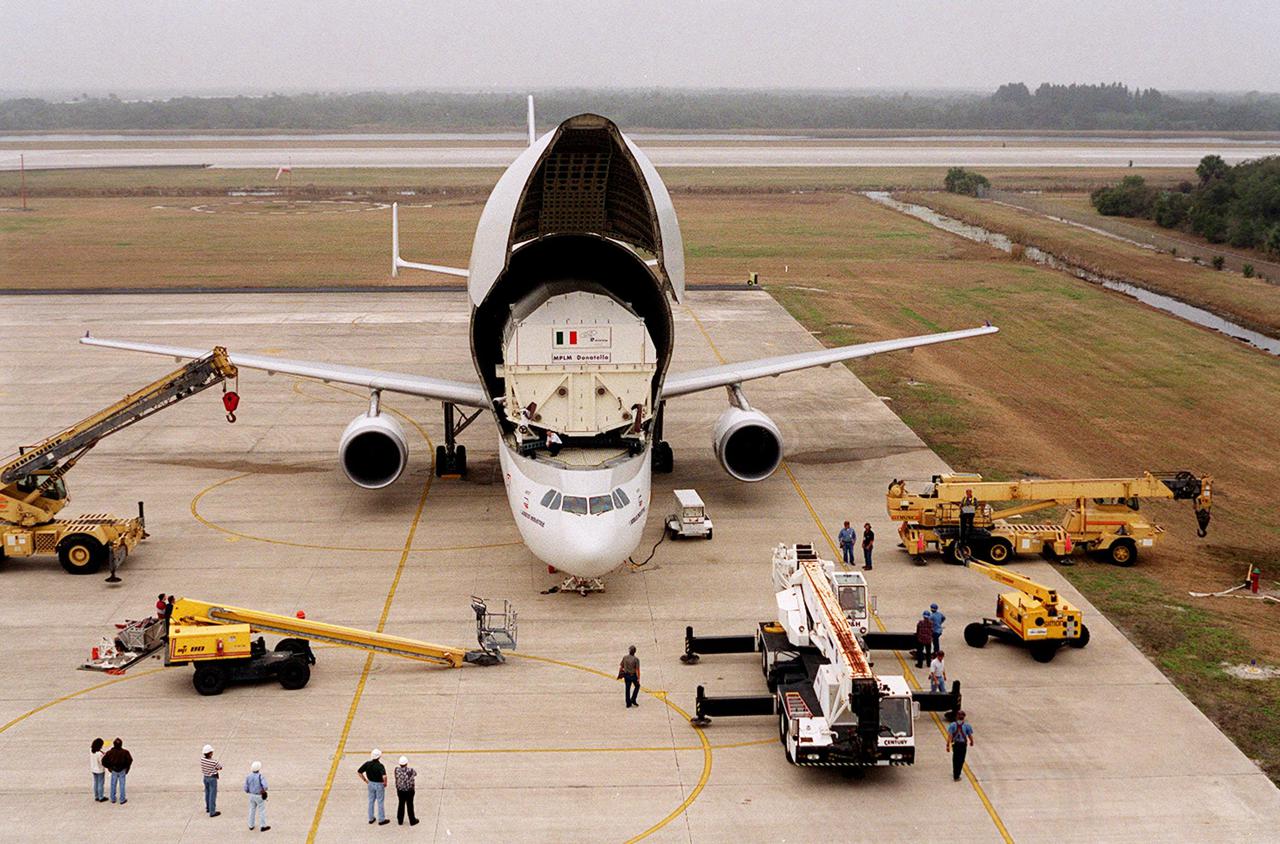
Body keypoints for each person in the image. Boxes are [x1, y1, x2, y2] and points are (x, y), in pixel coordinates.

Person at [358, 749, 390, 825]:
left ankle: (371, 818)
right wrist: (385, 783)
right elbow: (384, 776)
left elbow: (359, 772)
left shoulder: (367, 764)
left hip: (370, 783)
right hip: (379, 784)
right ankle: (381, 819)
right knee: (380, 801)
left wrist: (365, 780)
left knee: (371, 801)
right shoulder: (380, 766)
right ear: (379, 757)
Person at [946, 710, 975, 781]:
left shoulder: (952, 725)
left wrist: (948, 745)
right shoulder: (967, 726)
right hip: (963, 745)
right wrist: (971, 742)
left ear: (956, 717)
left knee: (955, 759)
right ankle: (957, 774)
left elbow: (950, 736)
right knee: (961, 759)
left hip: (956, 744)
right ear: (964, 717)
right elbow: (970, 735)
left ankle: (955, 773)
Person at [102, 737, 132, 804]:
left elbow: (103, 761)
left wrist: (109, 767)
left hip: (114, 770)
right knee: (122, 785)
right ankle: (122, 799)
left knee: (113, 784)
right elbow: (129, 760)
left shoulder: (110, 752)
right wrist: (127, 769)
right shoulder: (125, 752)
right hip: (122, 770)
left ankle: (113, 798)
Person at [394, 756, 419, 826]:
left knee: (401, 804)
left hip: (400, 790)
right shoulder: (411, 770)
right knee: (410, 805)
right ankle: (412, 820)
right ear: (406, 763)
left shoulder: (396, 770)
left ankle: (400, 820)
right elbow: (415, 774)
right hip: (409, 790)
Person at [244, 760, 269, 832]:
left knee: (252, 810)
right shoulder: (260, 776)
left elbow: (245, 788)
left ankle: (251, 825)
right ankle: (263, 826)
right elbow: (265, 786)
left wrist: (249, 791)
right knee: (262, 811)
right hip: (259, 795)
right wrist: (263, 790)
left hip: (251, 795)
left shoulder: (248, 776)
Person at [201, 744, 222, 818]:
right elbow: (220, 767)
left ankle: (208, 808)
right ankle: (212, 811)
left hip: (205, 777)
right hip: (212, 779)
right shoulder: (214, 762)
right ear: (210, 753)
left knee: (207, 793)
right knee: (212, 795)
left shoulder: (202, 759)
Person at [90, 738, 107, 803]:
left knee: (96, 783)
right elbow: (102, 762)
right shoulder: (99, 754)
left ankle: (96, 796)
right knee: (100, 783)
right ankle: (101, 797)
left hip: (93, 769)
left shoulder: (91, 750)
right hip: (100, 770)